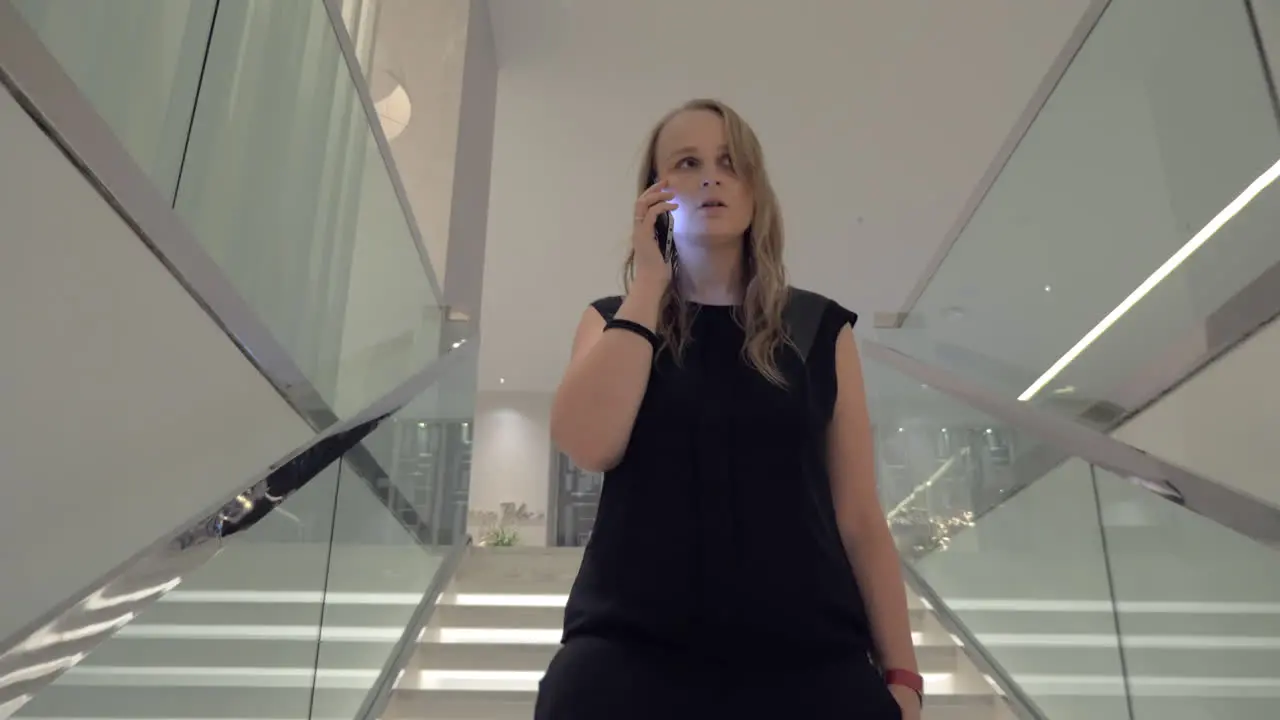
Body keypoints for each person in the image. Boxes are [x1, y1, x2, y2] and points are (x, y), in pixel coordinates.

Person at [536, 98, 922, 720]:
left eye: (729, 162)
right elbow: (588, 443)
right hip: (629, 657)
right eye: (687, 163)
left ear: (754, 190)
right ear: (653, 195)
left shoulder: (819, 328)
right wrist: (648, 285)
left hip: (810, 659)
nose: (711, 176)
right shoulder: (613, 319)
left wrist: (902, 674)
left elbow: (858, 514)